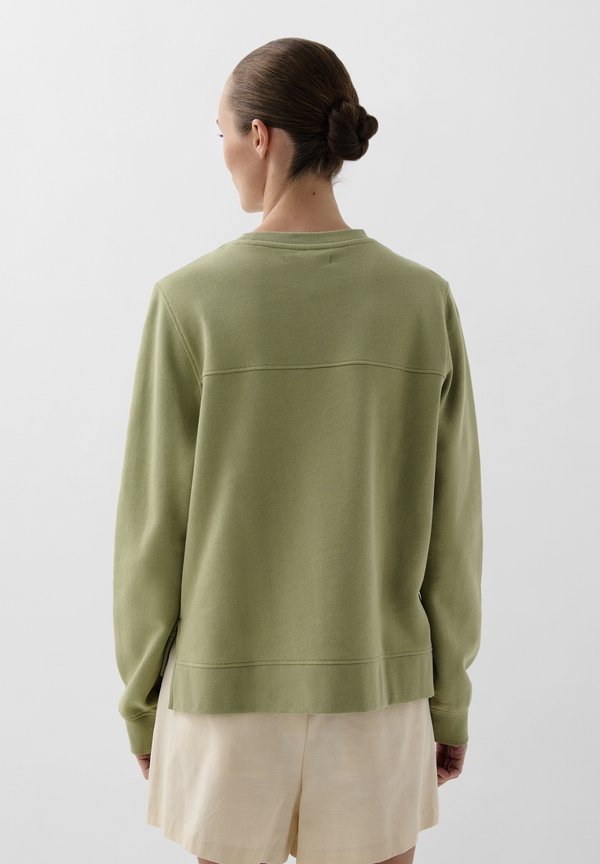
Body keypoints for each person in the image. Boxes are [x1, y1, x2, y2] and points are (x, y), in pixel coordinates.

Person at [113, 37, 483, 864]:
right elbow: (454, 532)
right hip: (378, 690)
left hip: (222, 700)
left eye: (220, 133)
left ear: (259, 136)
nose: (222, 154)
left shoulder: (189, 303)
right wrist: (448, 699)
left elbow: (152, 532)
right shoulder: (421, 302)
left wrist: (142, 703)